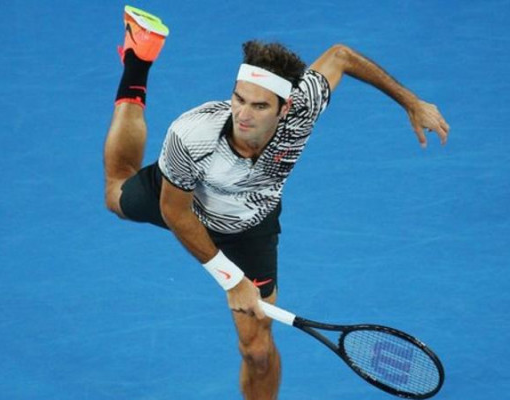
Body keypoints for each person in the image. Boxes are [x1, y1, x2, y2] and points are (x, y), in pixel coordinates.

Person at [103, 5, 450, 399]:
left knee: (257, 350)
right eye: (239, 99)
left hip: (250, 227)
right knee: (115, 192)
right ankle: (139, 60)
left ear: (285, 108)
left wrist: (410, 101)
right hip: (186, 198)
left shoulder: (302, 108)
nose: (243, 115)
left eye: (260, 106)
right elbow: (174, 212)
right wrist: (231, 279)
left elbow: (342, 56)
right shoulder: (191, 135)